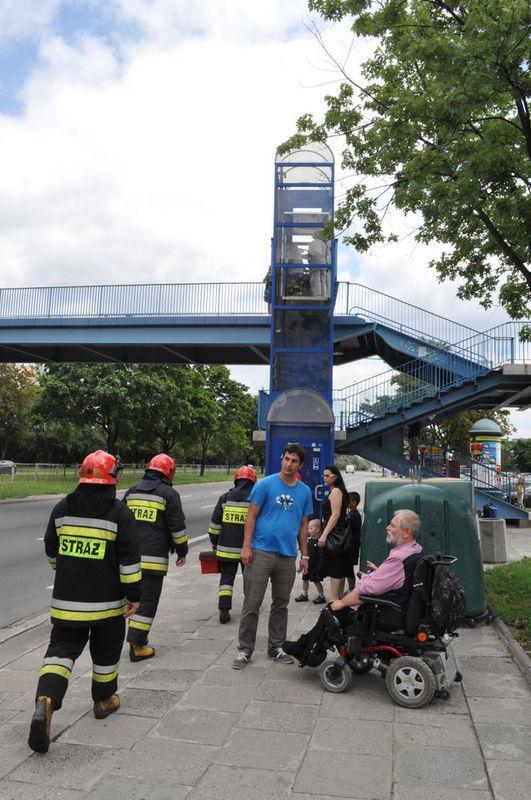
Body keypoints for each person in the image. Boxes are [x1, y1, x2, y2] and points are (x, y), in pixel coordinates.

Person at [28, 450, 141, 754]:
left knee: (60, 653)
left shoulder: (63, 507)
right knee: (105, 653)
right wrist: (135, 595)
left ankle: (46, 701)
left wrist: (64, 570)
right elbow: (129, 561)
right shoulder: (119, 512)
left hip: (66, 603)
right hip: (107, 607)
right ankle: (103, 701)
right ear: (112, 478)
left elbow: (52, 550)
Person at [283, 510, 423, 659]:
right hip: (398, 605)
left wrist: (342, 602)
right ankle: (306, 644)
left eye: (392, 525)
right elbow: (398, 578)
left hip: (385, 611)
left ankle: (309, 651)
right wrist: (379, 572)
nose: (387, 527)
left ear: (406, 532)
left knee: (331, 611)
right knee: (336, 608)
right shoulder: (415, 550)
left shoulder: (398, 559)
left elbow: (368, 589)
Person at [232, 443, 313, 669]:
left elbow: (304, 524)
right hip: (260, 552)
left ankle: (275, 647)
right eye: (286, 459)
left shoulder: (305, 491)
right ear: (281, 458)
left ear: (300, 465)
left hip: (287, 556)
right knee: (252, 603)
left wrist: (305, 556)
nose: (289, 464)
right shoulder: (265, 484)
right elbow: (251, 517)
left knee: (281, 604)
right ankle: (244, 650)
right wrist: (246, 547)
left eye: (294, 461)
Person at [123, 454, 188, 661]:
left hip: (127, 560)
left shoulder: (132, 492)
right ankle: (137, 644)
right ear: (169, 473)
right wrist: (182, 552)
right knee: (147, 601)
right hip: (153, 562)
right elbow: (177, 528)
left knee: (129, 600)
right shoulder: (169, 494)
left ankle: (123, 639)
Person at [208, 465, 257, 623]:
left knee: (226, 580)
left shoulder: (225, 497)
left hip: (226, 549)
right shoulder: (255, 499)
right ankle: (249, 610)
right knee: (249, 580)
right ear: (253, 481)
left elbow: (215, 525)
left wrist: (214, 542)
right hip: (247, 549)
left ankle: (224, 609)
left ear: (236, 479)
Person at [316, 465, 354, 601]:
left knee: (335, 568)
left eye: (327, 475)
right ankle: (337, 599)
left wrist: (324, 535)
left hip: (335, 534)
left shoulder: (336, 491)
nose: (324, 478)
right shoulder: (336, 490)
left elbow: (335, 515)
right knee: (338, 567)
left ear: (335, 477)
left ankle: (334, 601)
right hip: (338, 534)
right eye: (324, 475)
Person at [294, 518, 326, 604]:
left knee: (316, 580)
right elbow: (304, 554)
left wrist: (321, 567)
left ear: (318, 529)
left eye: (311, 528)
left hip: (315, 566)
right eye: (308, 528)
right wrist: (301, 565)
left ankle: (321, 595)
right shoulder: (308, 540)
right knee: (305, 579)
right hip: (307, 565)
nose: (308, 530)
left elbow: (322, 556)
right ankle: (304, 594)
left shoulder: (320, 542)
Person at [346, 491, 362, 592]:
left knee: (349, 569)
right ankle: (351, 588)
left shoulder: (354, 515)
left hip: (351, 546)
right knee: (348, 568)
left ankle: (351, 589)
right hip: (351, 545)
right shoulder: (351, 514)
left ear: (354, 503)